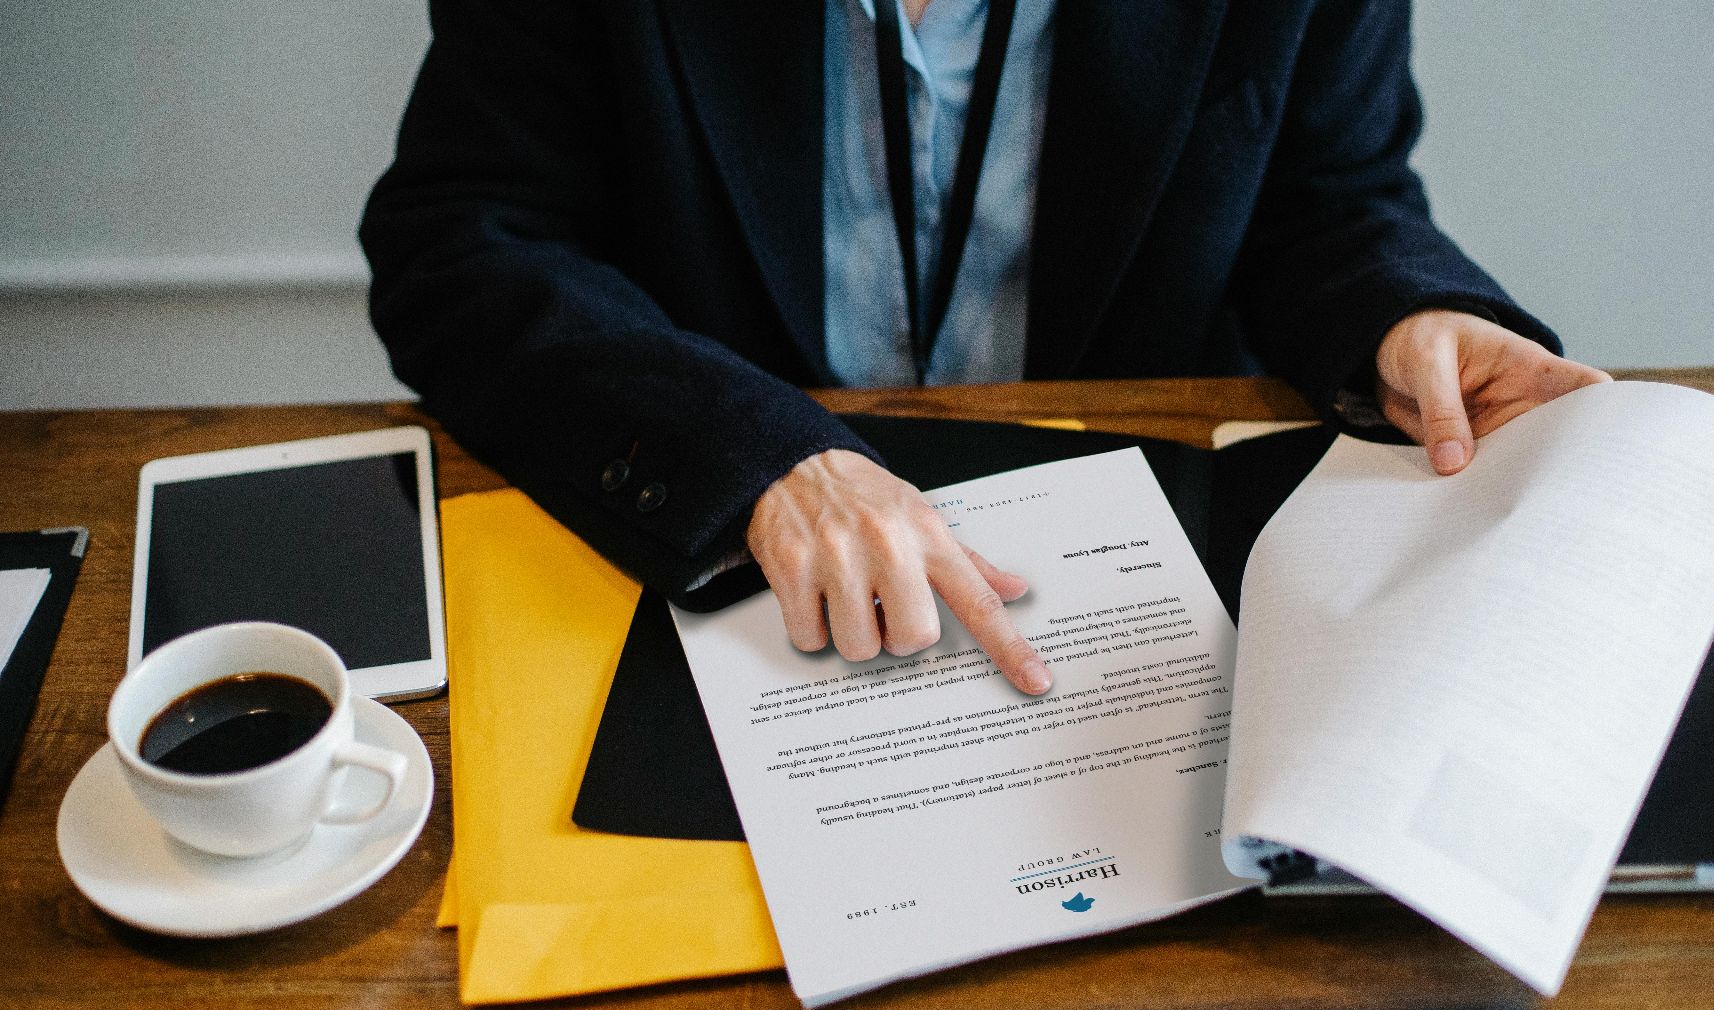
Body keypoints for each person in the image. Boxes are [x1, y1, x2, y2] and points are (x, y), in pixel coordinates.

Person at [360, 1, 1608, 697]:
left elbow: (1332, 197)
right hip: (730, 567)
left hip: (1147, 574)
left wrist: (1406, 315)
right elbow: (465, 243)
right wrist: (758, 456)